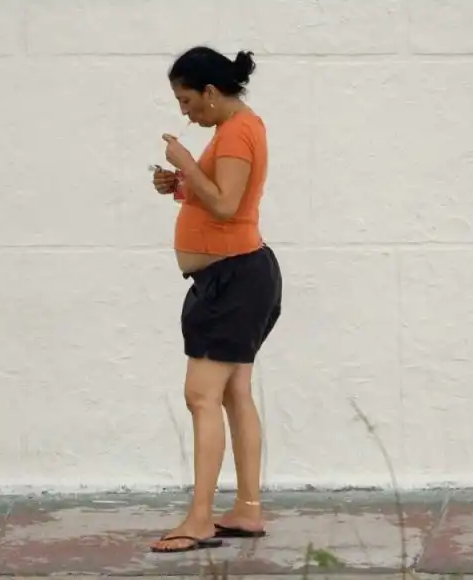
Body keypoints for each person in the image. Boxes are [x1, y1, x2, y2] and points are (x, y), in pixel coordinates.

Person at [149, 46, 282, 554]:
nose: (185, 113)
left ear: (210, 91)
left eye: (186, 101)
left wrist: (185, 161)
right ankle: (246, 509)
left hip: (233, 279)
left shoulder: (236, 132)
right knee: (233, 393)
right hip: (238, 276)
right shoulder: (239, 129)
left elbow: (226, 205)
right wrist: (181, 185)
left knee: (200, 396)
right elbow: (223, 197)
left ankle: (200, 519)